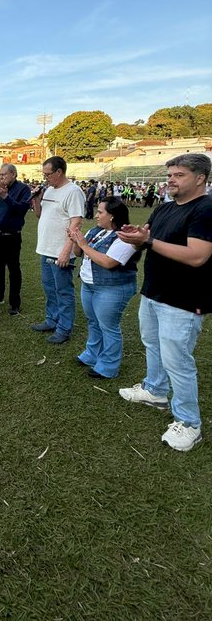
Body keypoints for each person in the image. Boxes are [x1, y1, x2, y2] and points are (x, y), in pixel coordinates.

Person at [116, 153, 212, 452]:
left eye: (179, 174)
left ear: (200, 178)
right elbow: (147, 235)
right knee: (153, 344)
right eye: (169, 174)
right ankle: (155, 390)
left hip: (183, 300)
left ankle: (189, 423)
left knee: (178, 361)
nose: (170, 179)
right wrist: (137, 235)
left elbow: (197, 256)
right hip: (154, 291)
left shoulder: (206, 209)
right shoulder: (163, 208)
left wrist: (148, 242)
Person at [68, 198, 139, 378]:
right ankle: (92, 354)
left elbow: (108, 262)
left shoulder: (125, 236)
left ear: (112, 215)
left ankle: (108, 366)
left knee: (109, 327)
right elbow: (79, 253)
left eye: (100, 212)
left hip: (112, 288)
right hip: (90, 285)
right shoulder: (96, 231)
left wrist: (83, 244)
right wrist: (76, 241)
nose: (96, 215)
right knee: (93, 322)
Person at [31, 156, 85, 344]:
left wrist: (66, 251)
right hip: (46, 248)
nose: (45, 178)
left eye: (48, 174)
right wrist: (37, 200)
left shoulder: (73, 192)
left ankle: (64, 328)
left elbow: (76, 222)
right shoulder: (48, 190)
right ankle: (51, 320)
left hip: (61, 250)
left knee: (63, 290)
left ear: (59, 172)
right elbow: (40, 215)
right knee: (49, 288)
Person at [0, 164, 31, 315]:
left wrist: (6, 197)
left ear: (13, 174)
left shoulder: (23, 189)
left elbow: (22, 209)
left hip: (12, 236)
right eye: (0, 175)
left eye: (3, 175)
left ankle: (14, 303)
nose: (1, 178)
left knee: (13, 269)